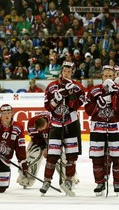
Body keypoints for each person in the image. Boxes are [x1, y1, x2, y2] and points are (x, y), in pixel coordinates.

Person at [39, 61, 86, 196]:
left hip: (71, 123)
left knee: (71, 156)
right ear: (61, 71)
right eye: (65, 70)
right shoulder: (52, 86)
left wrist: (71, 94)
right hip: (56, 124)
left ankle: (69, 180)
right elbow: (47, 107)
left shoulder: (78, 86)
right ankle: (47, 180)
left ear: (72, 72)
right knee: (52, 155)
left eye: (69, 71)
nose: (66, 73)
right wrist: (55, 100)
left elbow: (77, 105)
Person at [85, 65, 119, 195]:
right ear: (102, 77)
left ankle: (117, 182)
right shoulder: (94, 90)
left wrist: (115, 94)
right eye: (106, 75)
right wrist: (97, 104)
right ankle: (100, 183)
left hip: (115, 127)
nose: (108, 78)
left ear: (114, 77)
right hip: (98, 127)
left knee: (117, 156)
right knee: (97, 157)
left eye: (110, 76)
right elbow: (88, 110)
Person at [0, 104, 28, 193]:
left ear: (12, 114)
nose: (7, 115)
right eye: (4, 113)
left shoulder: (18, 127)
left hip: (3, 159)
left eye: (9, 113)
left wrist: (22, 161)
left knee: (1, 189)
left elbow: (20, 145)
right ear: (0, 114)